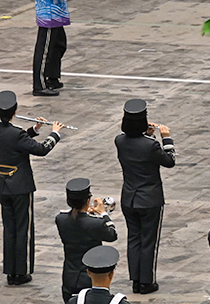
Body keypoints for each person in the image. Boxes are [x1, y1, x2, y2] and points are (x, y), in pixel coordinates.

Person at [0, 90, 65, 286]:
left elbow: (12, 142)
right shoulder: (16, 133)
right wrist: (54, 134)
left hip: (3, 186)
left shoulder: (13, 133)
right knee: (23, 229)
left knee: (9, 229)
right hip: (20, 187)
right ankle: (21, 271)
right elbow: (41, 149)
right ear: (14, 111)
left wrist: (34, 130)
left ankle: (10, 271)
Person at [114, 99, 176, 294]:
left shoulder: (119, 141)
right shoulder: (151, 145)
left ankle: (136, 279)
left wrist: (147, 136)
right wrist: (166, 139)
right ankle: (147, 281)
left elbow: (136, 146)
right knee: (149, 241)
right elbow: (169, 161)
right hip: (150, 199)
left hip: (129, 197)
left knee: (134, 239)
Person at [56, 178, 118, 302]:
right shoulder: (96, 224)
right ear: (88, 200)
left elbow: (77, 222)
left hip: (69, 277)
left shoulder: (60, 219)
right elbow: (112, 235)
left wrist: (87, 214)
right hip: (89, 279)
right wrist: (103, 214)